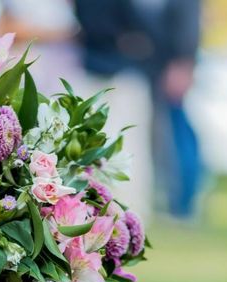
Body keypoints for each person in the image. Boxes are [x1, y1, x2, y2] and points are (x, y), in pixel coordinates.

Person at [74, 0, 202, 220]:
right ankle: (128, 207)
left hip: (114, 70)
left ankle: (134, 208)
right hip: (118, 70)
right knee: (129, 144)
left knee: (129, 145)